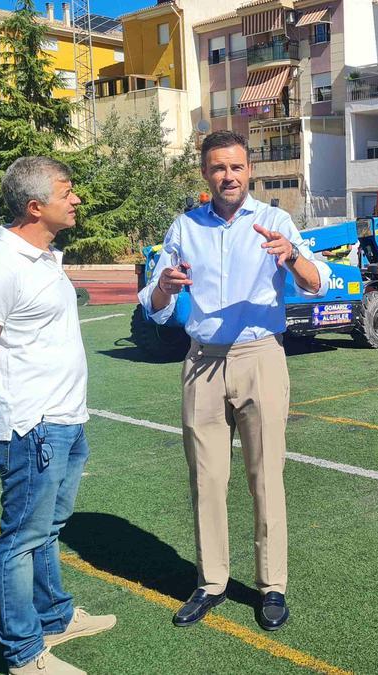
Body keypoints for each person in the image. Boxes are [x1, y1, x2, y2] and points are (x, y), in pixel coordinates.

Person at [138, 130, 330, 632]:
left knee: (265, 476)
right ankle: (211, 582)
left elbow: (317, 282)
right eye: (219, 168)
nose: (229, 176)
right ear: (205, 173)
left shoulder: (275, 222)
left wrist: (289, 256)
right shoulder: (184, 227)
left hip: (259, 357)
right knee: (206, 479)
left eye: (237, 167)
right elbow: (154, 309)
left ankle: (271, 587)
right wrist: (163, 286)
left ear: (250, 172)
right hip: (201, 363)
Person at [0, 156, 116, 675]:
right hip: (32, 426)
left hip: (65, 418)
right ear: (35, 206)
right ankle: (24, 653)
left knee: (48, 528)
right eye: (67, 192)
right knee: (21, 537)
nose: (76, 200)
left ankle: (54, 617)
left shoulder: (44, 257)